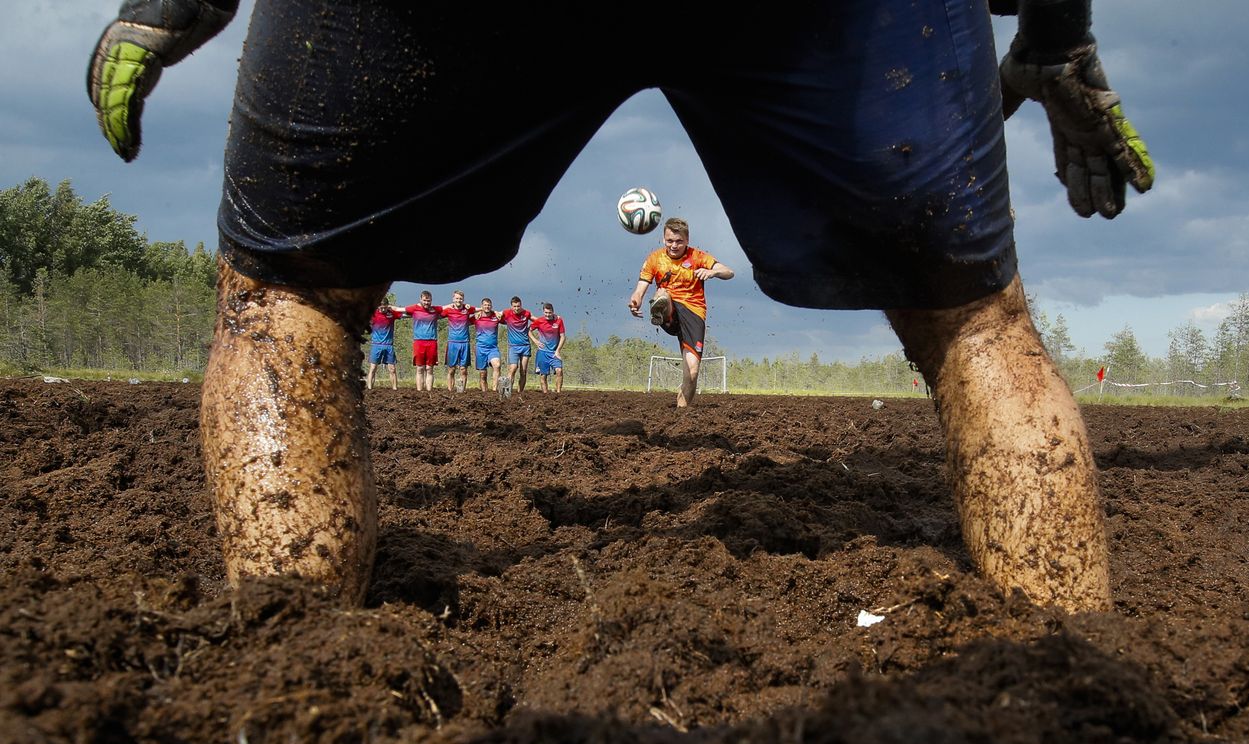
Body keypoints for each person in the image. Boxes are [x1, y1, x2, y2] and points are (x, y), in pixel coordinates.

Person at [89, 0, 1153, 610]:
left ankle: (288, 658)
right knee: (973, 324)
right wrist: (1054, 29)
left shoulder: (676, 268)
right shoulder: (660, 266)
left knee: (290, 305)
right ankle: (1071, 681)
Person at [629, 218, 734, 408]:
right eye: (670, 241)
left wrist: (712, 272)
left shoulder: (698, 257)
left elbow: (729, 272)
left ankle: (681, 413)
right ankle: (661, 313)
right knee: (662, 294)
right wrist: (636, 300)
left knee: (692, 373)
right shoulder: (655, 258)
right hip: (670, 308)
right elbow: (640, 287)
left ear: (687, 240)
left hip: (693, 312)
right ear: (663, 239)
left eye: (679, 241)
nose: (674, 245)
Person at [402, 290, 444, 391]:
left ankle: (429, 392)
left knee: (429, 369)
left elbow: (449, 307)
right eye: (424, 300)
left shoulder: (435, 310)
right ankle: (419, 392)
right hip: (418, 341)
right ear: (420, 299)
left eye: (428, 301)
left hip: (432, 342)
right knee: (420, 368)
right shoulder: (414, 309)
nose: (426, 302)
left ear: (431, 301)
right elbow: (399, 309)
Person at [365, 298, 404, 390]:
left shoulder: (391, 313)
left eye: (384, 307)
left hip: (388, 345)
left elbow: (404, 314)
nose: (383, 309)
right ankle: (370, 388)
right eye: (381, 307)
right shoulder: (373, 314)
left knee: (392, 369)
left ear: (387, 306)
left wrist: (393, 308)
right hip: (376, 344)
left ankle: (395, 389)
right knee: (373, 368)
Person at [441, 290, 475, 393]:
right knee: (451, 369)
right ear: (453, 299)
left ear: (463, 300)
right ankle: (450, 390)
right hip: (452, 342)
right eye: (456, 298)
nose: (458, 300)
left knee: (463, 369)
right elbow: (437, 313)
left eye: (460, 298)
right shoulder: (448, 310)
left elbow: (482, 309)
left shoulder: (467, 309)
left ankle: (461, 391)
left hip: (464, 342)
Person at [500, 296, 534, 393]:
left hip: (525, 346)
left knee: (523, 371)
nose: (516, 308)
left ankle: (520, 393)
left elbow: (538, 320)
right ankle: (507, 391)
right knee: (513, 368)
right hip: (513, 347)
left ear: (521, 305)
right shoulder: (507, 312)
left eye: (518, 306)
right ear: (511, 306)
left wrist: (554, 319)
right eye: (514, 306)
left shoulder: (526, 313)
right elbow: (496, 314)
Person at [531, 303, 566, 394]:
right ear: (543, 312)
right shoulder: (539, 321)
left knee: (559, 370)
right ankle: (545, 394)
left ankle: (558, 393)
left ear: (553, 312)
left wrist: (558, 350)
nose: (547, 315)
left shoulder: (559, 320)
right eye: (546, 312)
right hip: (542, 352)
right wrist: (536, 341)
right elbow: (529, 331)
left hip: (554, 352)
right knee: (543, 375)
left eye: (549, 313)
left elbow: (562, 336)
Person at [473, 298, 504, 393]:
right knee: (483, 374)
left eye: (489, 305)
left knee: (497, 365)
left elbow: (510, 315)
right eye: (485, 305)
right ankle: (485, 393)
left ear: (491, 306)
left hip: (492, 348)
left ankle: (494, 391)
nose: (487, 307)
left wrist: (499, 313)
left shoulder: (496, 317)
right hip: (480, 348)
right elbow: (463, 319)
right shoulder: (476, 317)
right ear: (481, 306)